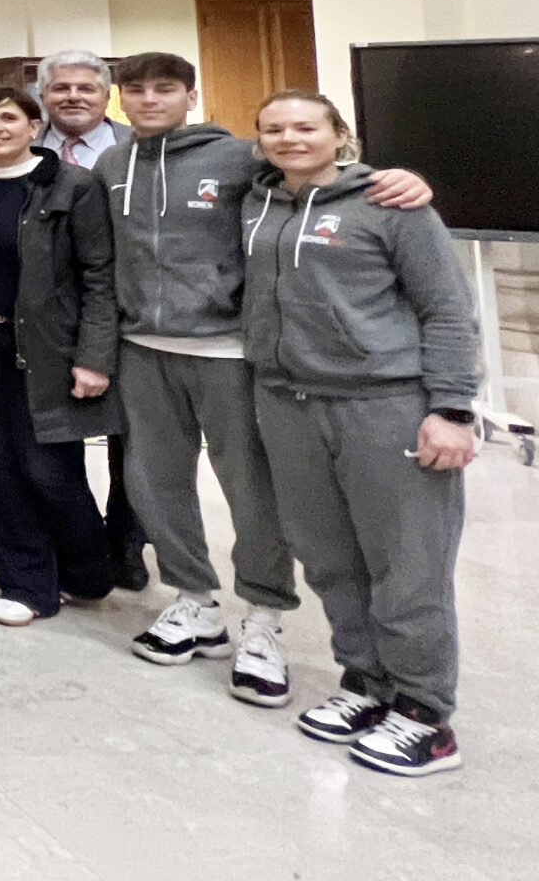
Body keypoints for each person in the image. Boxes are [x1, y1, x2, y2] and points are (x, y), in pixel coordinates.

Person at [108, 51, 428, 709]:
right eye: (134, 90)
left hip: (228, 351)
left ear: (190, 95)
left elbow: (318, 175)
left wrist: (390, 178)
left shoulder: (237, 157)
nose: (147, 100)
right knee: (154, 483)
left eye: (163, 89)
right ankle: (195, 604)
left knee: (251, 491)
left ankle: (263, 620)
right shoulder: (113, 165)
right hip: (142, 346)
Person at [243, 89, 479, 777]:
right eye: (274, 129)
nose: (290, 139)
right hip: (289, 403)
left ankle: (425, 713)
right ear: (258, 141)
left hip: (385, 405)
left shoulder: (393, 204)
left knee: (407, 564)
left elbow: (446, 309)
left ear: (337, 132)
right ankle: (368, 684)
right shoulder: (259, 203)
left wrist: (454, 407)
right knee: (330, 558)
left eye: (305, 126)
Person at [0, 85, 120, 627]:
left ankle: (89, 568)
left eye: (8, 119)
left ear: (33, 125)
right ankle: (27, 585)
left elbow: (98, 275)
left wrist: (94, 357)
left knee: (48, 467)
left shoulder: (72, 185)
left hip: (46, 347)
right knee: (6, 464)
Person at [32, 48, 149, 592]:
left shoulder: (139, 149)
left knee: (133, 433)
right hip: (52, 311)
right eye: (60, 89)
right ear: (42, 96)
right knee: (60, 429)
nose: (73, 97)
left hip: (127, 303)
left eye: (85, 88)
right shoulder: (25, 147)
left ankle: (126, 540)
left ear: (108, 97)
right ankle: (73, 536)